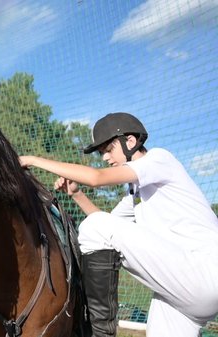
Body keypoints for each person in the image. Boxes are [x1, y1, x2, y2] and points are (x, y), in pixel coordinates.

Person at [19, 112, 218, 337]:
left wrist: (33, 160)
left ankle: (98, 333)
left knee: (95, 227)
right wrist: (76, 194)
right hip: (182, 295)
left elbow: (96, 178)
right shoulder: (136, 192)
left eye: (108, 150)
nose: (104, 157)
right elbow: (104, 225)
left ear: (130, 142)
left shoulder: (160, 159)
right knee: (97, 227)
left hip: (205, 269)